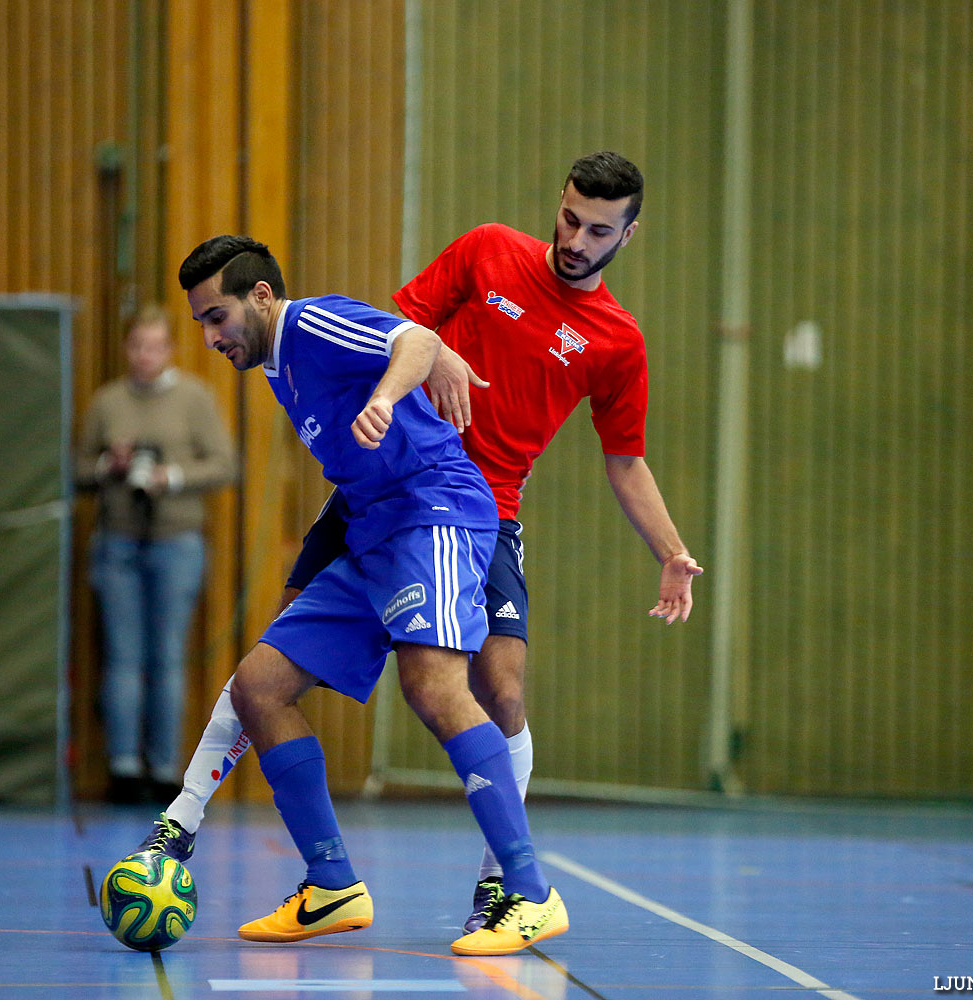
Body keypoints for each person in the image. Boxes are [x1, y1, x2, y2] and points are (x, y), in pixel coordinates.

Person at [137, 151, 702, 931]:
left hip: (462, 504)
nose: (575, 238)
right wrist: (428, 359)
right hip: (377, 492)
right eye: (569, 216)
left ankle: (513, 889)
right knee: (264, 677)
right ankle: (205, 836)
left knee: (485, 691)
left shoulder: (616, 340)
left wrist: (670, 550)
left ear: (628, 235)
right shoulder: (486, 252)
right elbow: (400, 325)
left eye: (597, 229)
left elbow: (626, 460)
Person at [150, 234, 568, 956]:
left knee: (435, 684)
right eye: (199, 323)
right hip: (372, 531)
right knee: (260, 686)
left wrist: (384, 397)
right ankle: (332, 883)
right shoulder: (277, 367)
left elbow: (415, 340)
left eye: (215, 317)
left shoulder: (308, 323)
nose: (211, 336)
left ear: (261, 297)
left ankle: (530, 892)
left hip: (432, 508)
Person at [76, 304, 236, 805]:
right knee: (122, 658)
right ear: (126, 349)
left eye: (155, 346)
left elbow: (226, 464)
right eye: (136, 345)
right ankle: (124, 767)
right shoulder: (107, 402)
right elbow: (78, 469)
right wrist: (110, 463)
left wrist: (173, 476)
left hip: (177, 541)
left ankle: (165, 769)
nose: (145, 356)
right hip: (118, 540)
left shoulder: (194, 398)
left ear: (169, 349)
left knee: (168, 657)